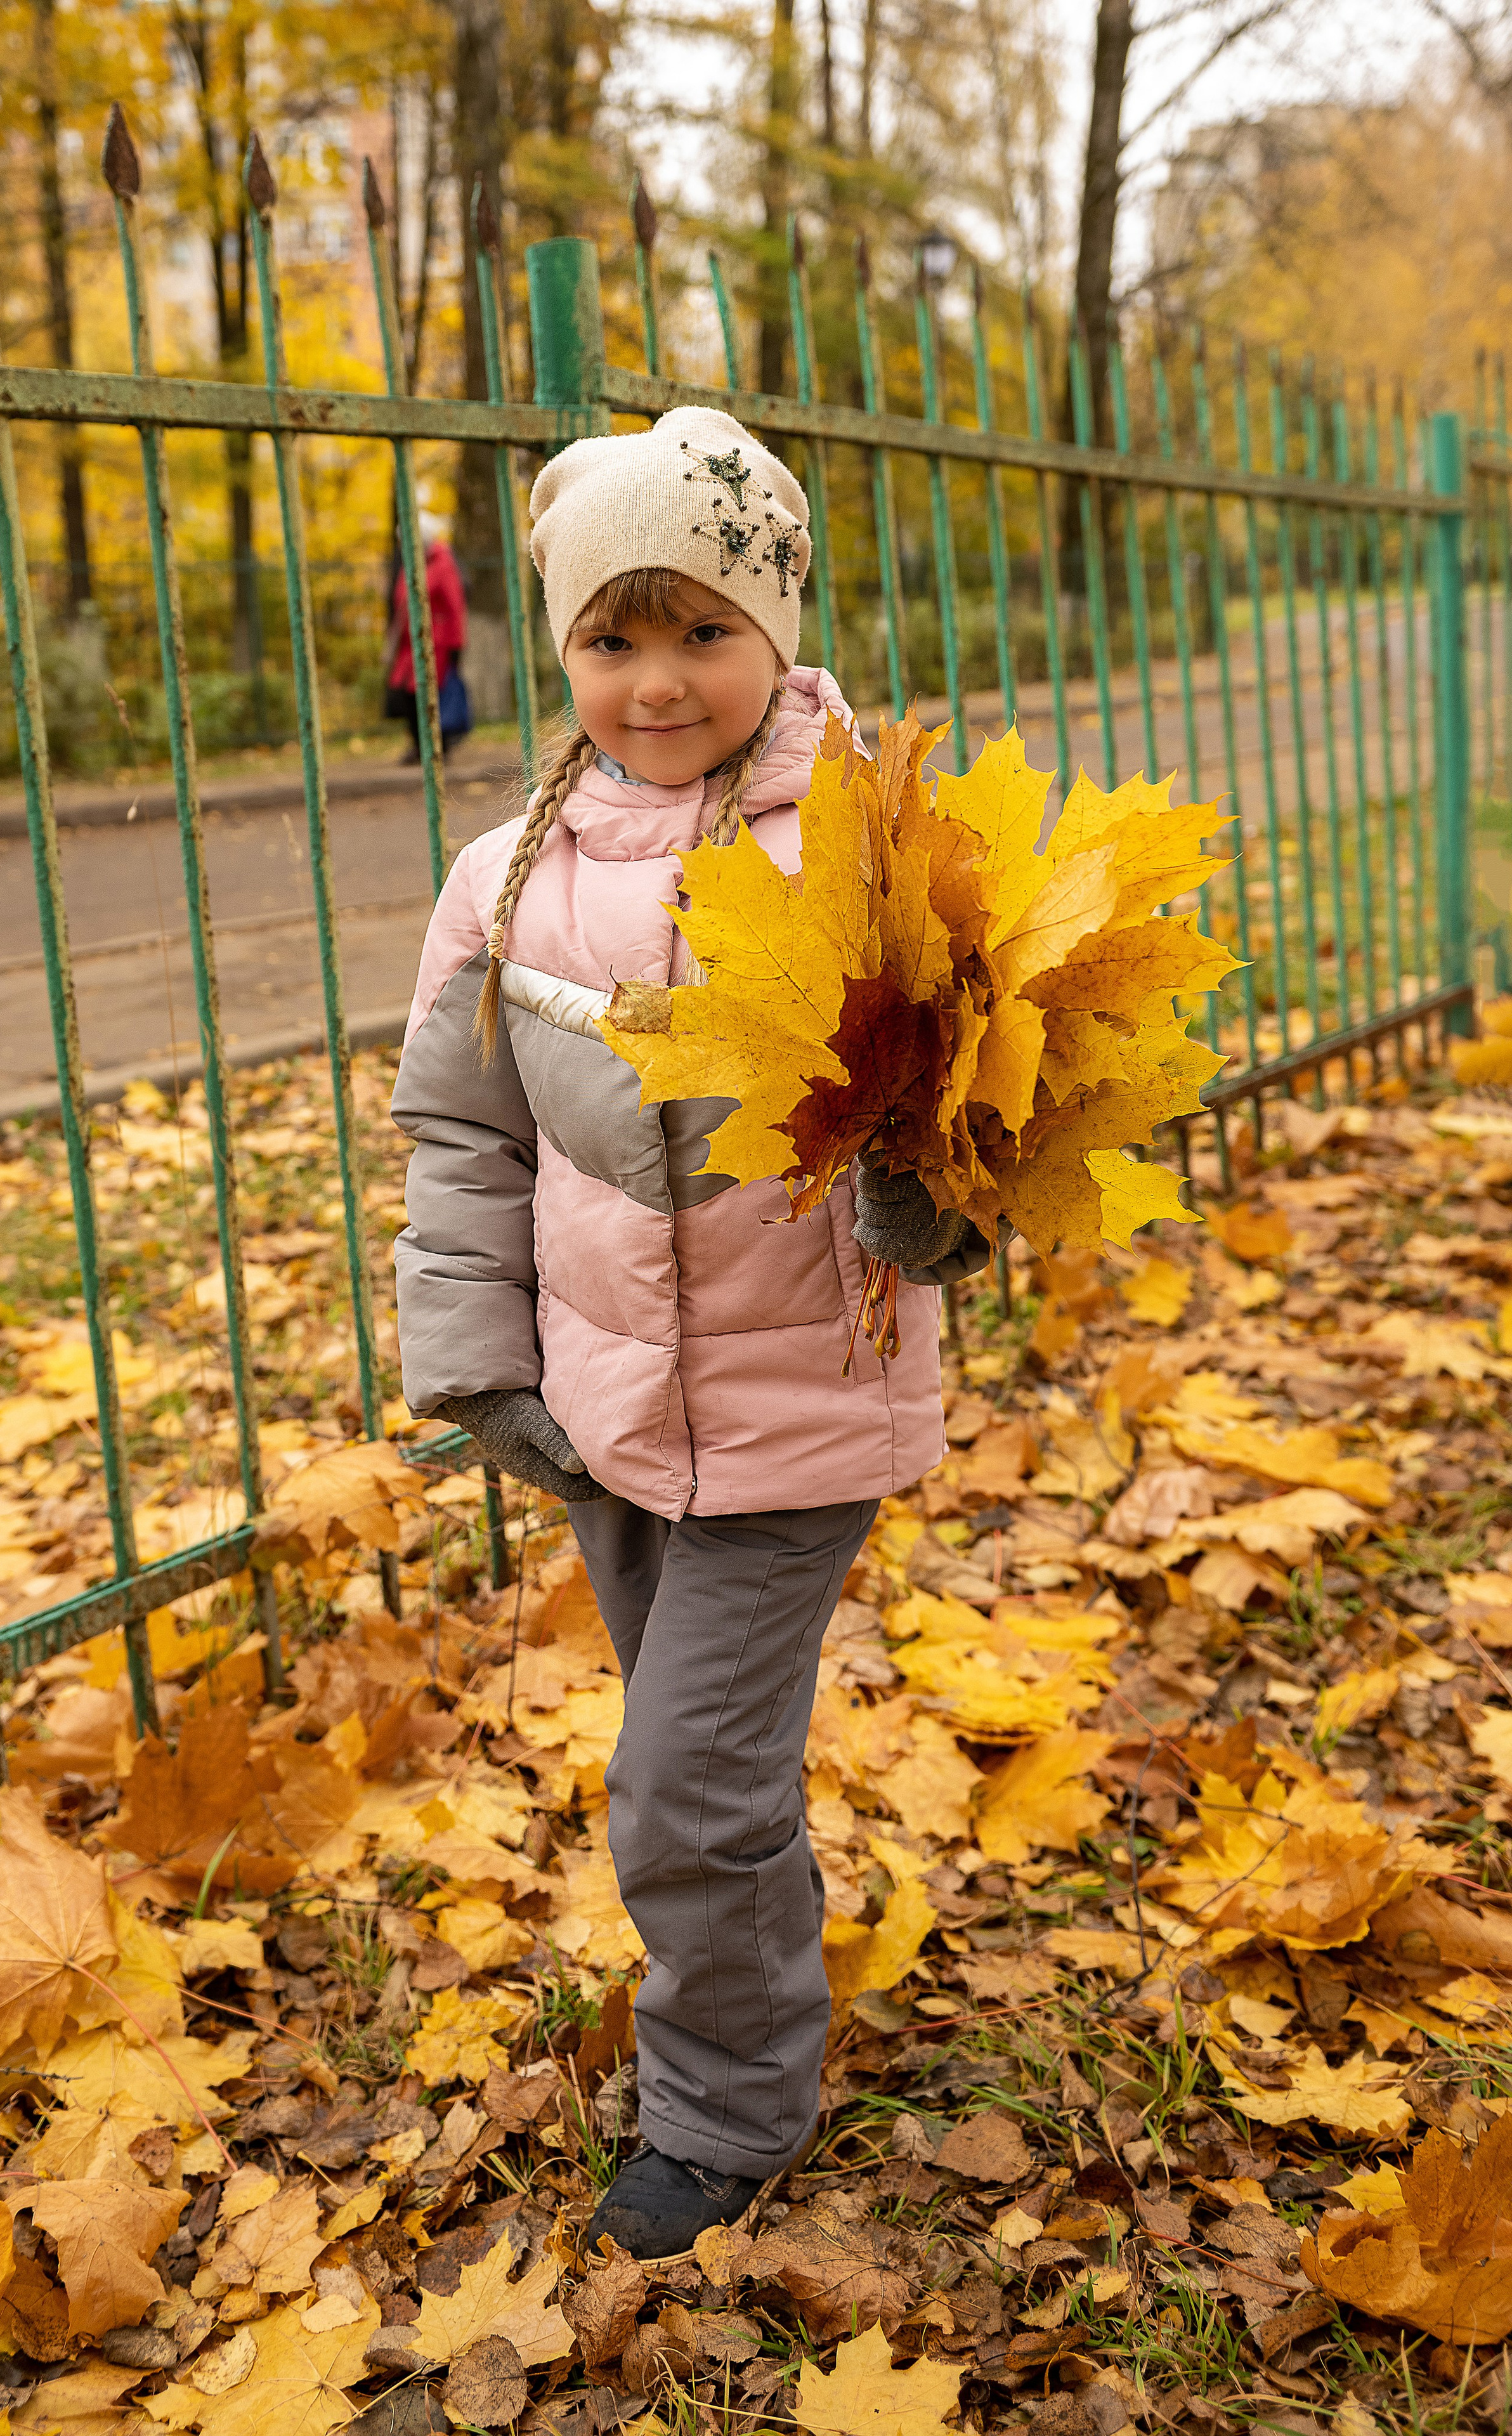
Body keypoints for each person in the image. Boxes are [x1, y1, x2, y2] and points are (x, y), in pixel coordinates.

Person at [390, 408, 992, 2262]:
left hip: (799, 1407)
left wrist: (929, 1203)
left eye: (702, 629)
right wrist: (476, 1353)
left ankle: (725, 2108)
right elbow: (465, 1133)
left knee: (678, 1783)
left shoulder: (865, 845)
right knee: (706, 1769)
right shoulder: (508, 875)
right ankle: (754, 1979)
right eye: (611, 636)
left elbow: (975, 1107)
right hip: (605, 1405)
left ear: (775, 626)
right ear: (563, 650)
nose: (655, 679)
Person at [384, 511, 468, 763]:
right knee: (407, 693)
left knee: (431, 692)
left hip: (437, 643)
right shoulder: (411, 564)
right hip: (410, 643)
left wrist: (456, 644)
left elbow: (455, 606)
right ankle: (420, 744)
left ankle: (439, 745)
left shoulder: (443, 563)